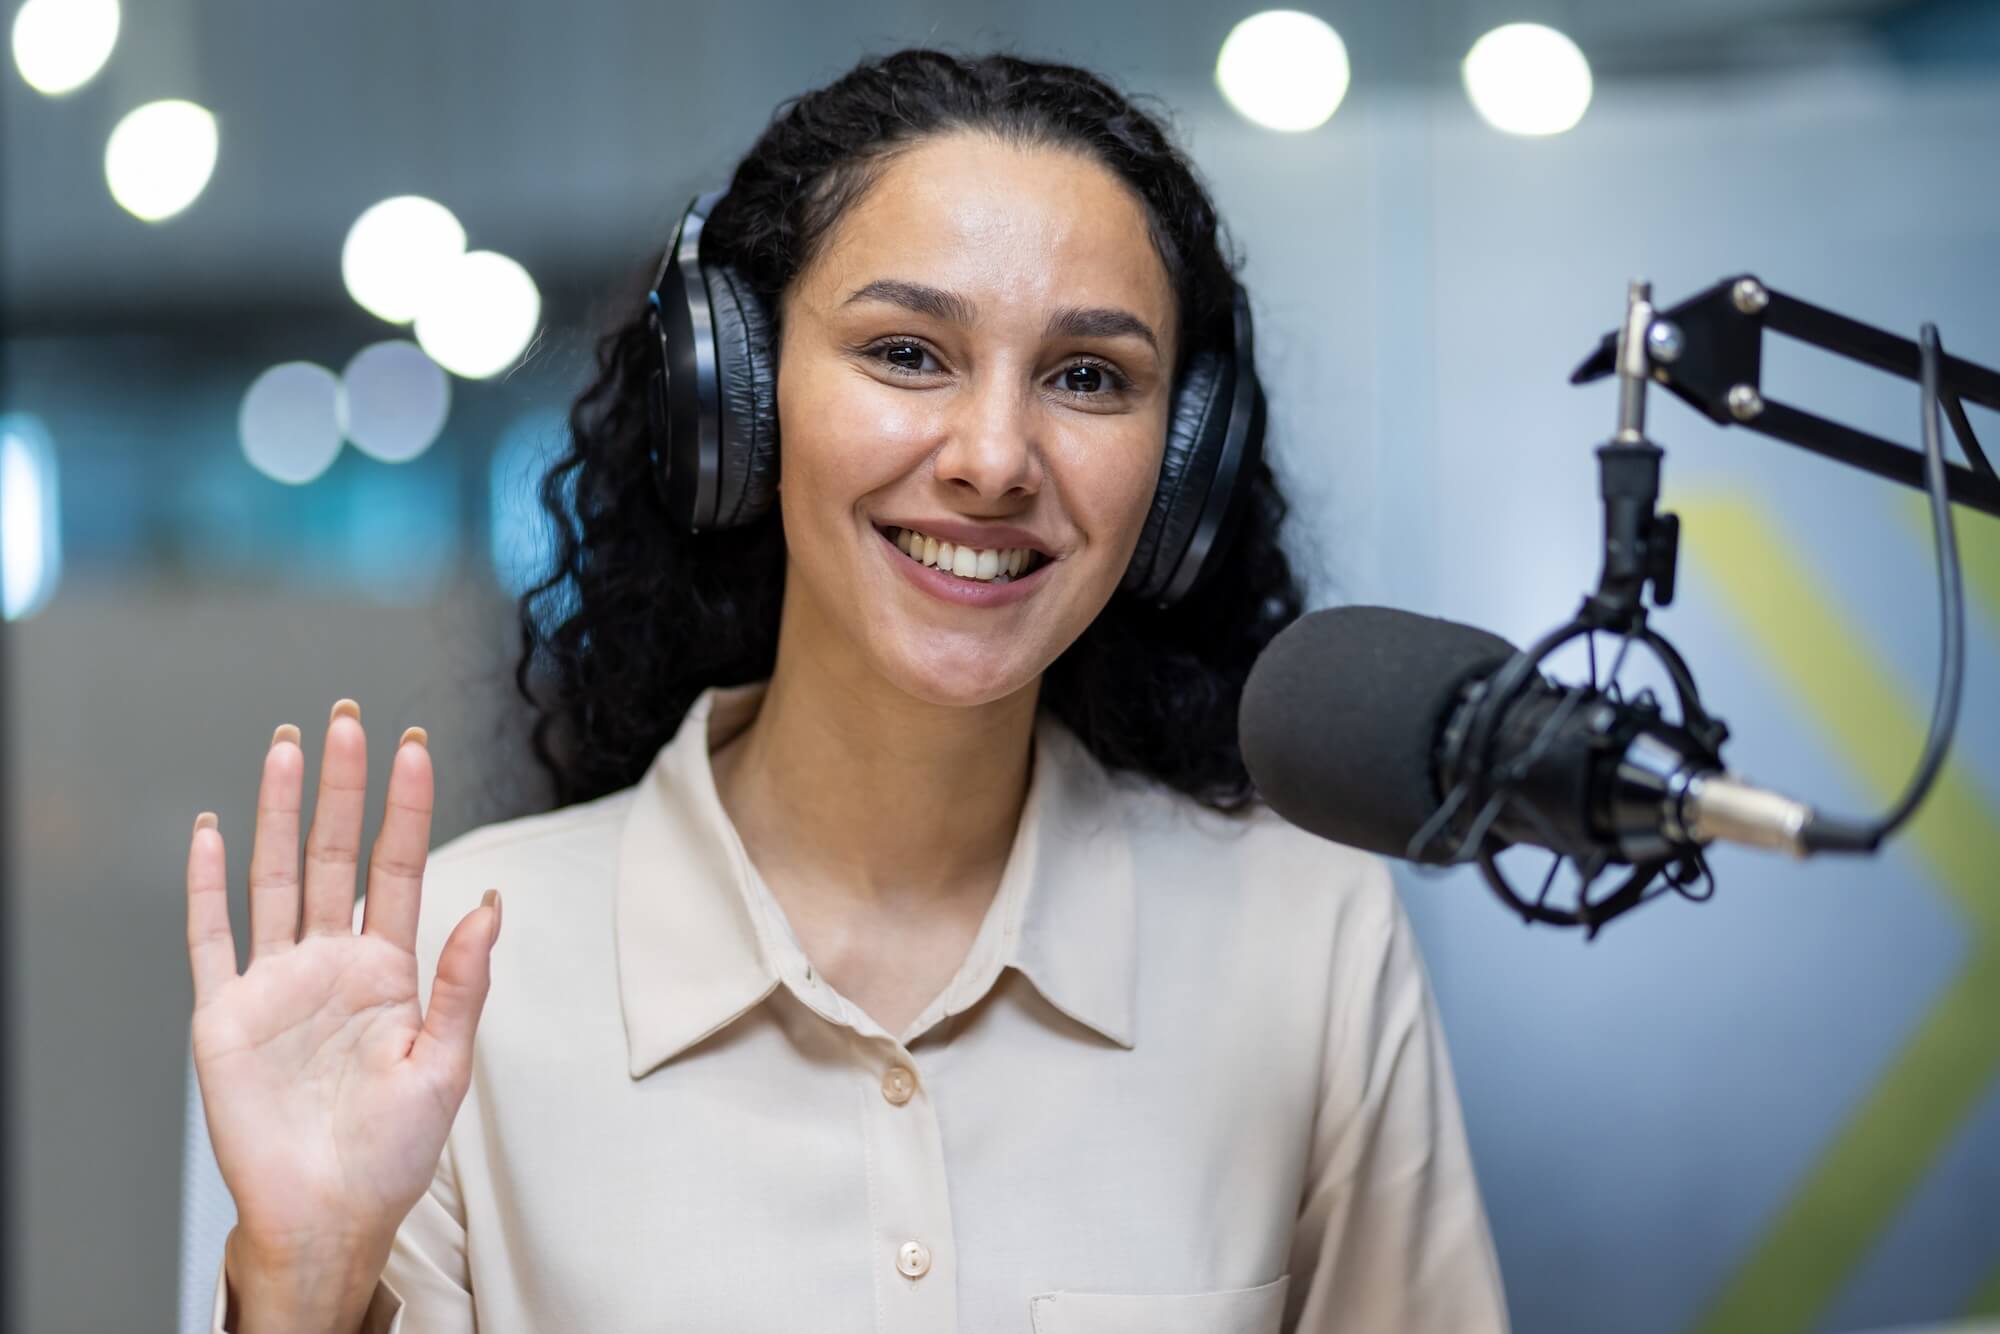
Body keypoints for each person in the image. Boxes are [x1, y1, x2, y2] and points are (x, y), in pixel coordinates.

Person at [184, 48, 1507, 1334]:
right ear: (738, 403)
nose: (995, 459)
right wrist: (305, 1286)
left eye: (1089, 376)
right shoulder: (456, 977)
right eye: (908, 353)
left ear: (1183, 471)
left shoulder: (1304, 934)